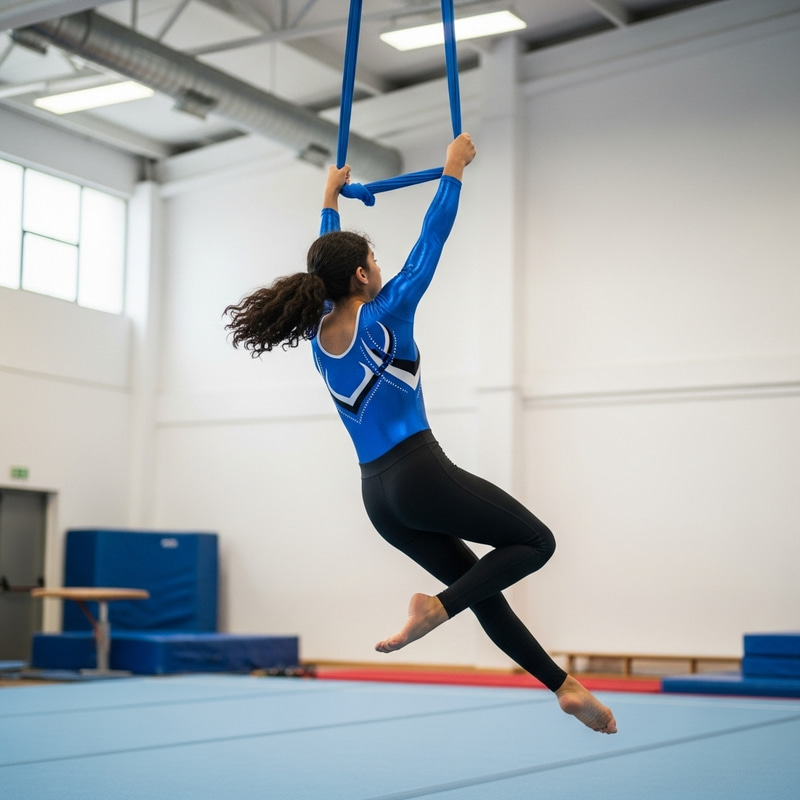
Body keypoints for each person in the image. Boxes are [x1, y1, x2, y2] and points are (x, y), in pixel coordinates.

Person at [224, 134, 617, 734]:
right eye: (373, 263)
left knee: (482, 587)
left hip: (377, 498)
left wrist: (329, 198)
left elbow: (327, 258)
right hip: (419, 475)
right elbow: (432, 238)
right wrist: (452, 172)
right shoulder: (388, 311)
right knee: (536, 544)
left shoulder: (317, 330)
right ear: (361, 274)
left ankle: (563, 687)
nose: (382, 268)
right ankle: (434, 609)